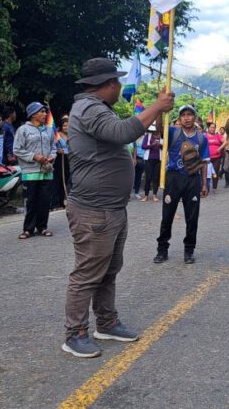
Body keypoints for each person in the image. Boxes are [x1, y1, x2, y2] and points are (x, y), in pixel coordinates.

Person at [62, 58, 174, 358]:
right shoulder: (89, 109)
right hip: (93, 210)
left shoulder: (95, 108)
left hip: (110, 208)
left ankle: (106, 322)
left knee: (108, 270)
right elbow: (124, 133)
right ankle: (75, 333)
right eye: (117, 82)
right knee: (88, 273)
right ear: (109, 84)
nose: (120, 86)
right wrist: (156, 107)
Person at [155, 105, 210, 265]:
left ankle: (189, 250)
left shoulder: (201, 138)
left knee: (192, 218)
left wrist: (204, 184)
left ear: (195, 117)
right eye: (183, 115)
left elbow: (204, 163)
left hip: (193, 179)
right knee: (167, 216)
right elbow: (159, 128)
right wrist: (160, 110)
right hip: (173, 178)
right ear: (179, 118)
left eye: (190, 114)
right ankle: (162, 250)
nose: (187, 117)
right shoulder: (172, 132)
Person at [14, 102, 57, 239]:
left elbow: (53, 147)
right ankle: (28, 229)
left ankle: (43, 227)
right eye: (42, 112)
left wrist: (52, 156)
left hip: (46, 171)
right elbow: (17, 150)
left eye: (45, 112)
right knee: (31, 201)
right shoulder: (23, 130)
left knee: (44, 201)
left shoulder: (49, 130)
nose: (45, 114)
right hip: (30, 172)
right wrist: (34, 157)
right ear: (33, 114)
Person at [51, 115, 71, 210]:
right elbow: (52, 146)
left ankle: (62, 202)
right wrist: (57, 150)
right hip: (59, 159)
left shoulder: (71, 135)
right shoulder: (57, 136)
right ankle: (55, 204)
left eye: (67, 125)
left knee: (66, 180)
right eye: (64, 125)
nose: (66, 127)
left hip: (68, 159)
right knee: (57, 181)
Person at [141, 125, 162, 202]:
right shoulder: (148, 136)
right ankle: (146, 195)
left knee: (156, 178)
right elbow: (143, 146)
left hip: (158, 159)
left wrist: (160, 145)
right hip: (148, 159)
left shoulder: (162, 135)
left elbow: (166, 146)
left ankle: (154, 195)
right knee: (148, 177)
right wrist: (151, 145)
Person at [206, 122, 225, 190]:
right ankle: (206, 187)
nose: (212, 129)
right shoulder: (205, 135)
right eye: (211, 127)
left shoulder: (218, 136)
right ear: (208, 128)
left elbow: (225, 142)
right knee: (206, 172)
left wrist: (220, 148)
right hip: (207, 158)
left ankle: (214, 187)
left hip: (216, 157)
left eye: (214, 127)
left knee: (215, 172)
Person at [132, 132, 146, 200]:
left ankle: (136, 192)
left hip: (141, 158)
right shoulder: (132, 137)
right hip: (132, 157)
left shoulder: (144, 137)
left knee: (138, 176)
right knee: (130, 176)